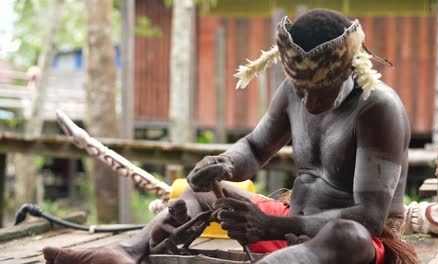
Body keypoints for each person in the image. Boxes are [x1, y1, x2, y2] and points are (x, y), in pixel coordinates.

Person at [43, 8, 418, 264]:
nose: (305, 98)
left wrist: (272, 225)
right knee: (200, 192)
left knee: (346, 236)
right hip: (291, 222)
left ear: (351, 71)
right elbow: (254, 148)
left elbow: (369, 218)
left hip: (354, 246)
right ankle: (127, 251)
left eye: (318, 90)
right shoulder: (295, 89)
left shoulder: (378, 108)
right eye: (299, 88)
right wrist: (222, 165)